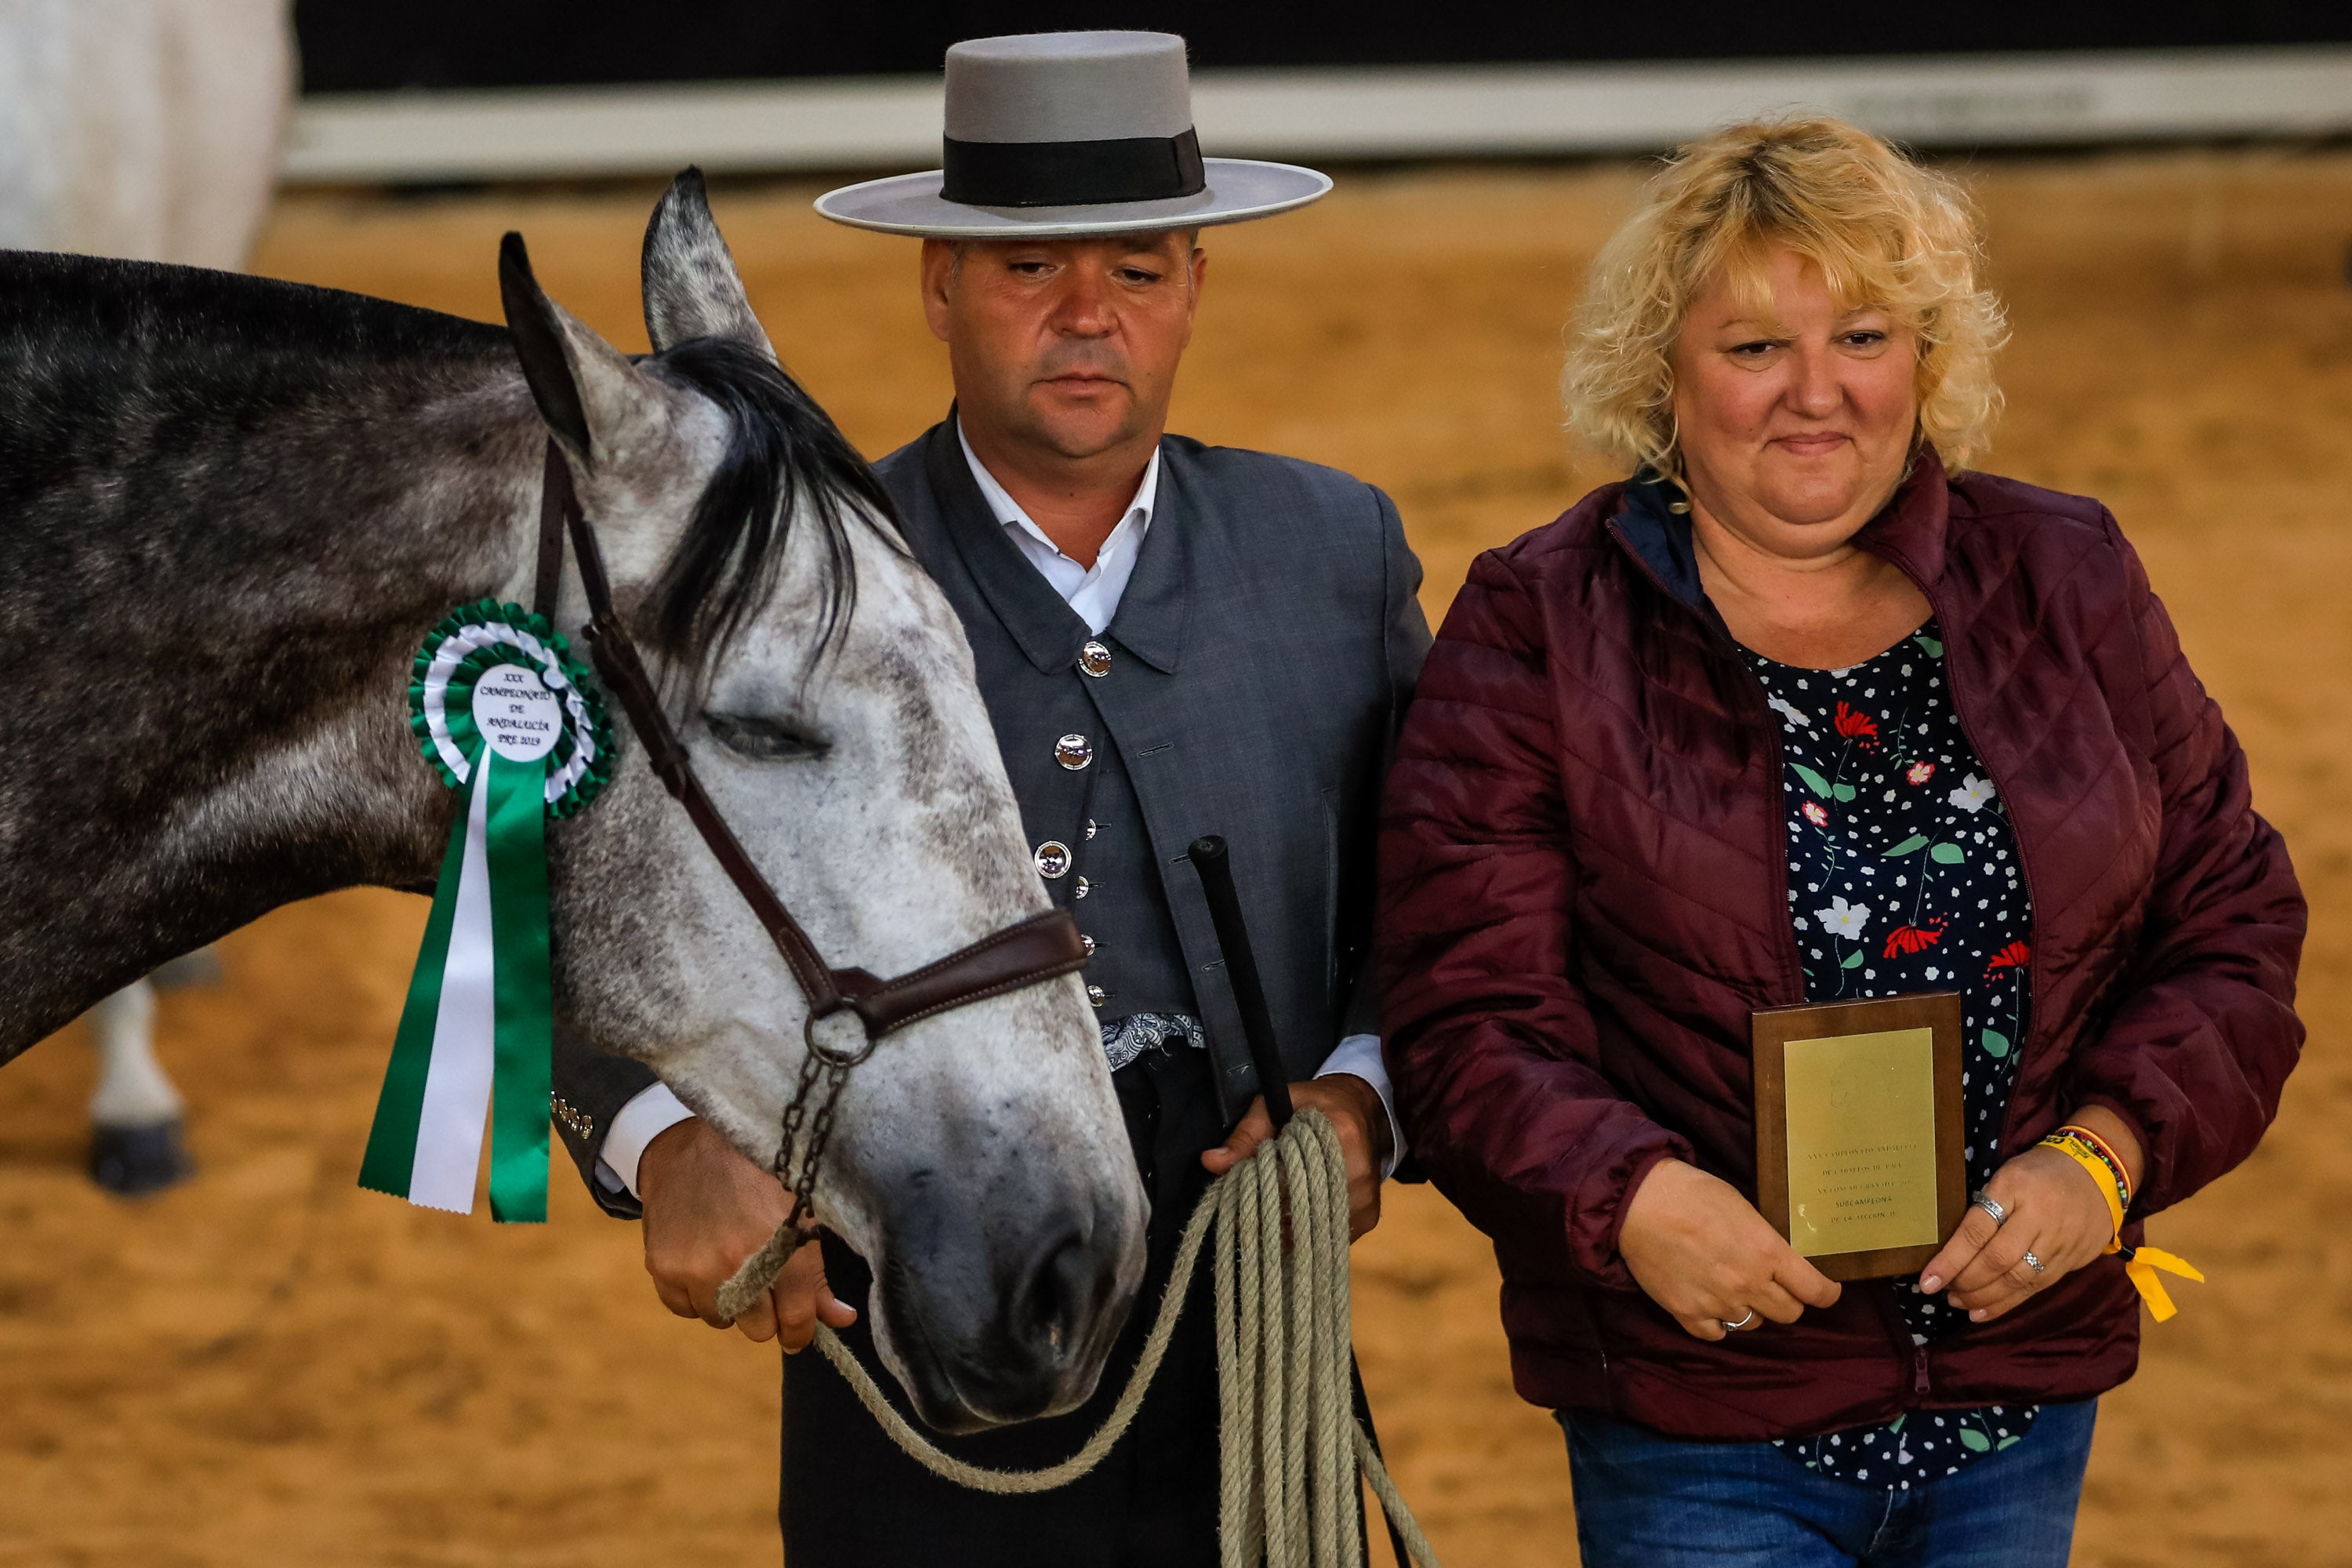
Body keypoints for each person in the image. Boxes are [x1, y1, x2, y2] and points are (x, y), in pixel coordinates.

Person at [548, 31, 1428, 1567]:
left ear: (1197, 286)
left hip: (1254, 1336)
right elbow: (581, 898)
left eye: (1140, 271)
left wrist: (1367, 1093)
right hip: (909, 1329)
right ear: (939, 287)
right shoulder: (788, 584)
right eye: (1030, 273)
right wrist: (664, 1139)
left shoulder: (1333, 549)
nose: (1090, 317)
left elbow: (1453, 902)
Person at [1376, 115, 2305, 1566]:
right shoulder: (1540, 621)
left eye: (1863, 335)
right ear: (1662, 378)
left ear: (1926, 362)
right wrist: (1630, 1203)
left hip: (2015, 1402)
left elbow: (2234, 921)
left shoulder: (2067, 573)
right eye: (1753, 348)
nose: (1816, 395)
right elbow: (1463, 1009)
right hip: (1701, 1424)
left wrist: (2107, 1160)